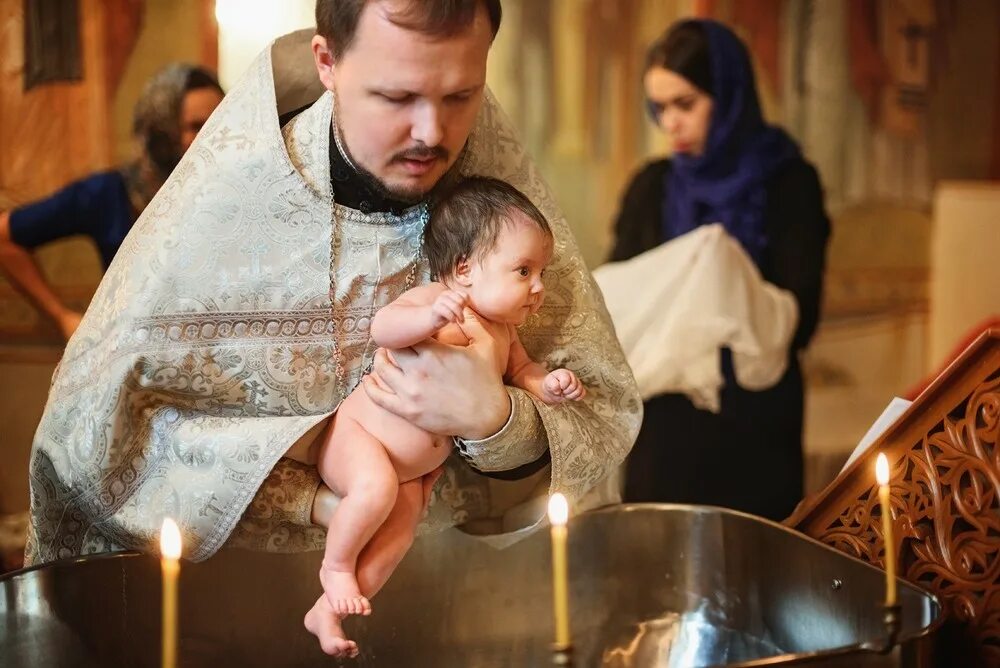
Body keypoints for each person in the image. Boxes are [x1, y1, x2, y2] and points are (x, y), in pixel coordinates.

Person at [24, 0, 641, 657]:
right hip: (219, 607)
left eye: (462, 94)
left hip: (449, 605)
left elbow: (596, 413)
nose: (431, 131)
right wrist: (319, 498)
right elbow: (94, 439)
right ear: (328, 62)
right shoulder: (228, 201)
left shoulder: (504, 210)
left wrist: (495, 421)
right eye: (396, 95)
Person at [308, 176, 586, 656]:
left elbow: (522, 372)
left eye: (541, 272)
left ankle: (327, 613)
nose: (539, 287)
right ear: (464, 269)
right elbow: (383, 328)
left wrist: (549, 384)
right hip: (360, 439)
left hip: (413, 474)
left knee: (396, 538)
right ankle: (335, 568)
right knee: (374, 490)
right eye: (524, 271)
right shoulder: (434, 300)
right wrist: (431, 319)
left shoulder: (503, 332)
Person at [608, 19, 830, 521]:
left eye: (685, 104)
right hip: (664, 426)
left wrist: (722, 287)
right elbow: (621, 301)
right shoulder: (652, 188)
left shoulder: (789, 184)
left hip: (755, 425)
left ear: (728, 94)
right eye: (659, 108)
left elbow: (803, 314)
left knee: (757, 574)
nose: (670, 125)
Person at [0, 64, 224, 340]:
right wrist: (63, 317)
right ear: (161, 130)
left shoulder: (233, 191)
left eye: (219, 122)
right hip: (134, 368)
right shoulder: (107, 193)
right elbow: (5, 237)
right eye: (197, 126)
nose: (213, 136)